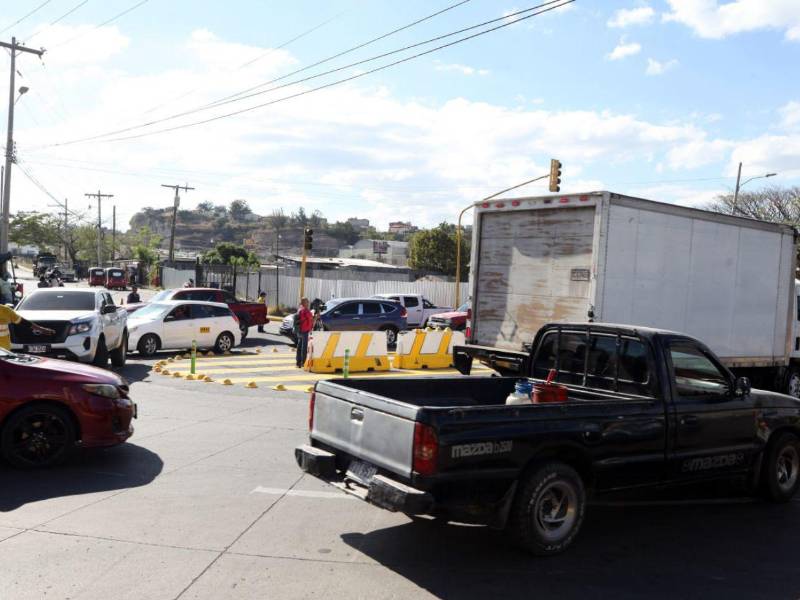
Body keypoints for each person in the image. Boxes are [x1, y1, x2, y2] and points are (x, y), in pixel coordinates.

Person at [295, 297, 313, 368]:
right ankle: (303, 362)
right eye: (307, 301)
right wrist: (315, 316)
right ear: (304, 303)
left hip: (299, 331)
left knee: (299, 346)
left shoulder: (299, 309)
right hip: (305, 330)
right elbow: (310, 319)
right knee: (304, 347)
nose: (308, 302)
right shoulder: (305, 310)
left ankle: (298, 362)